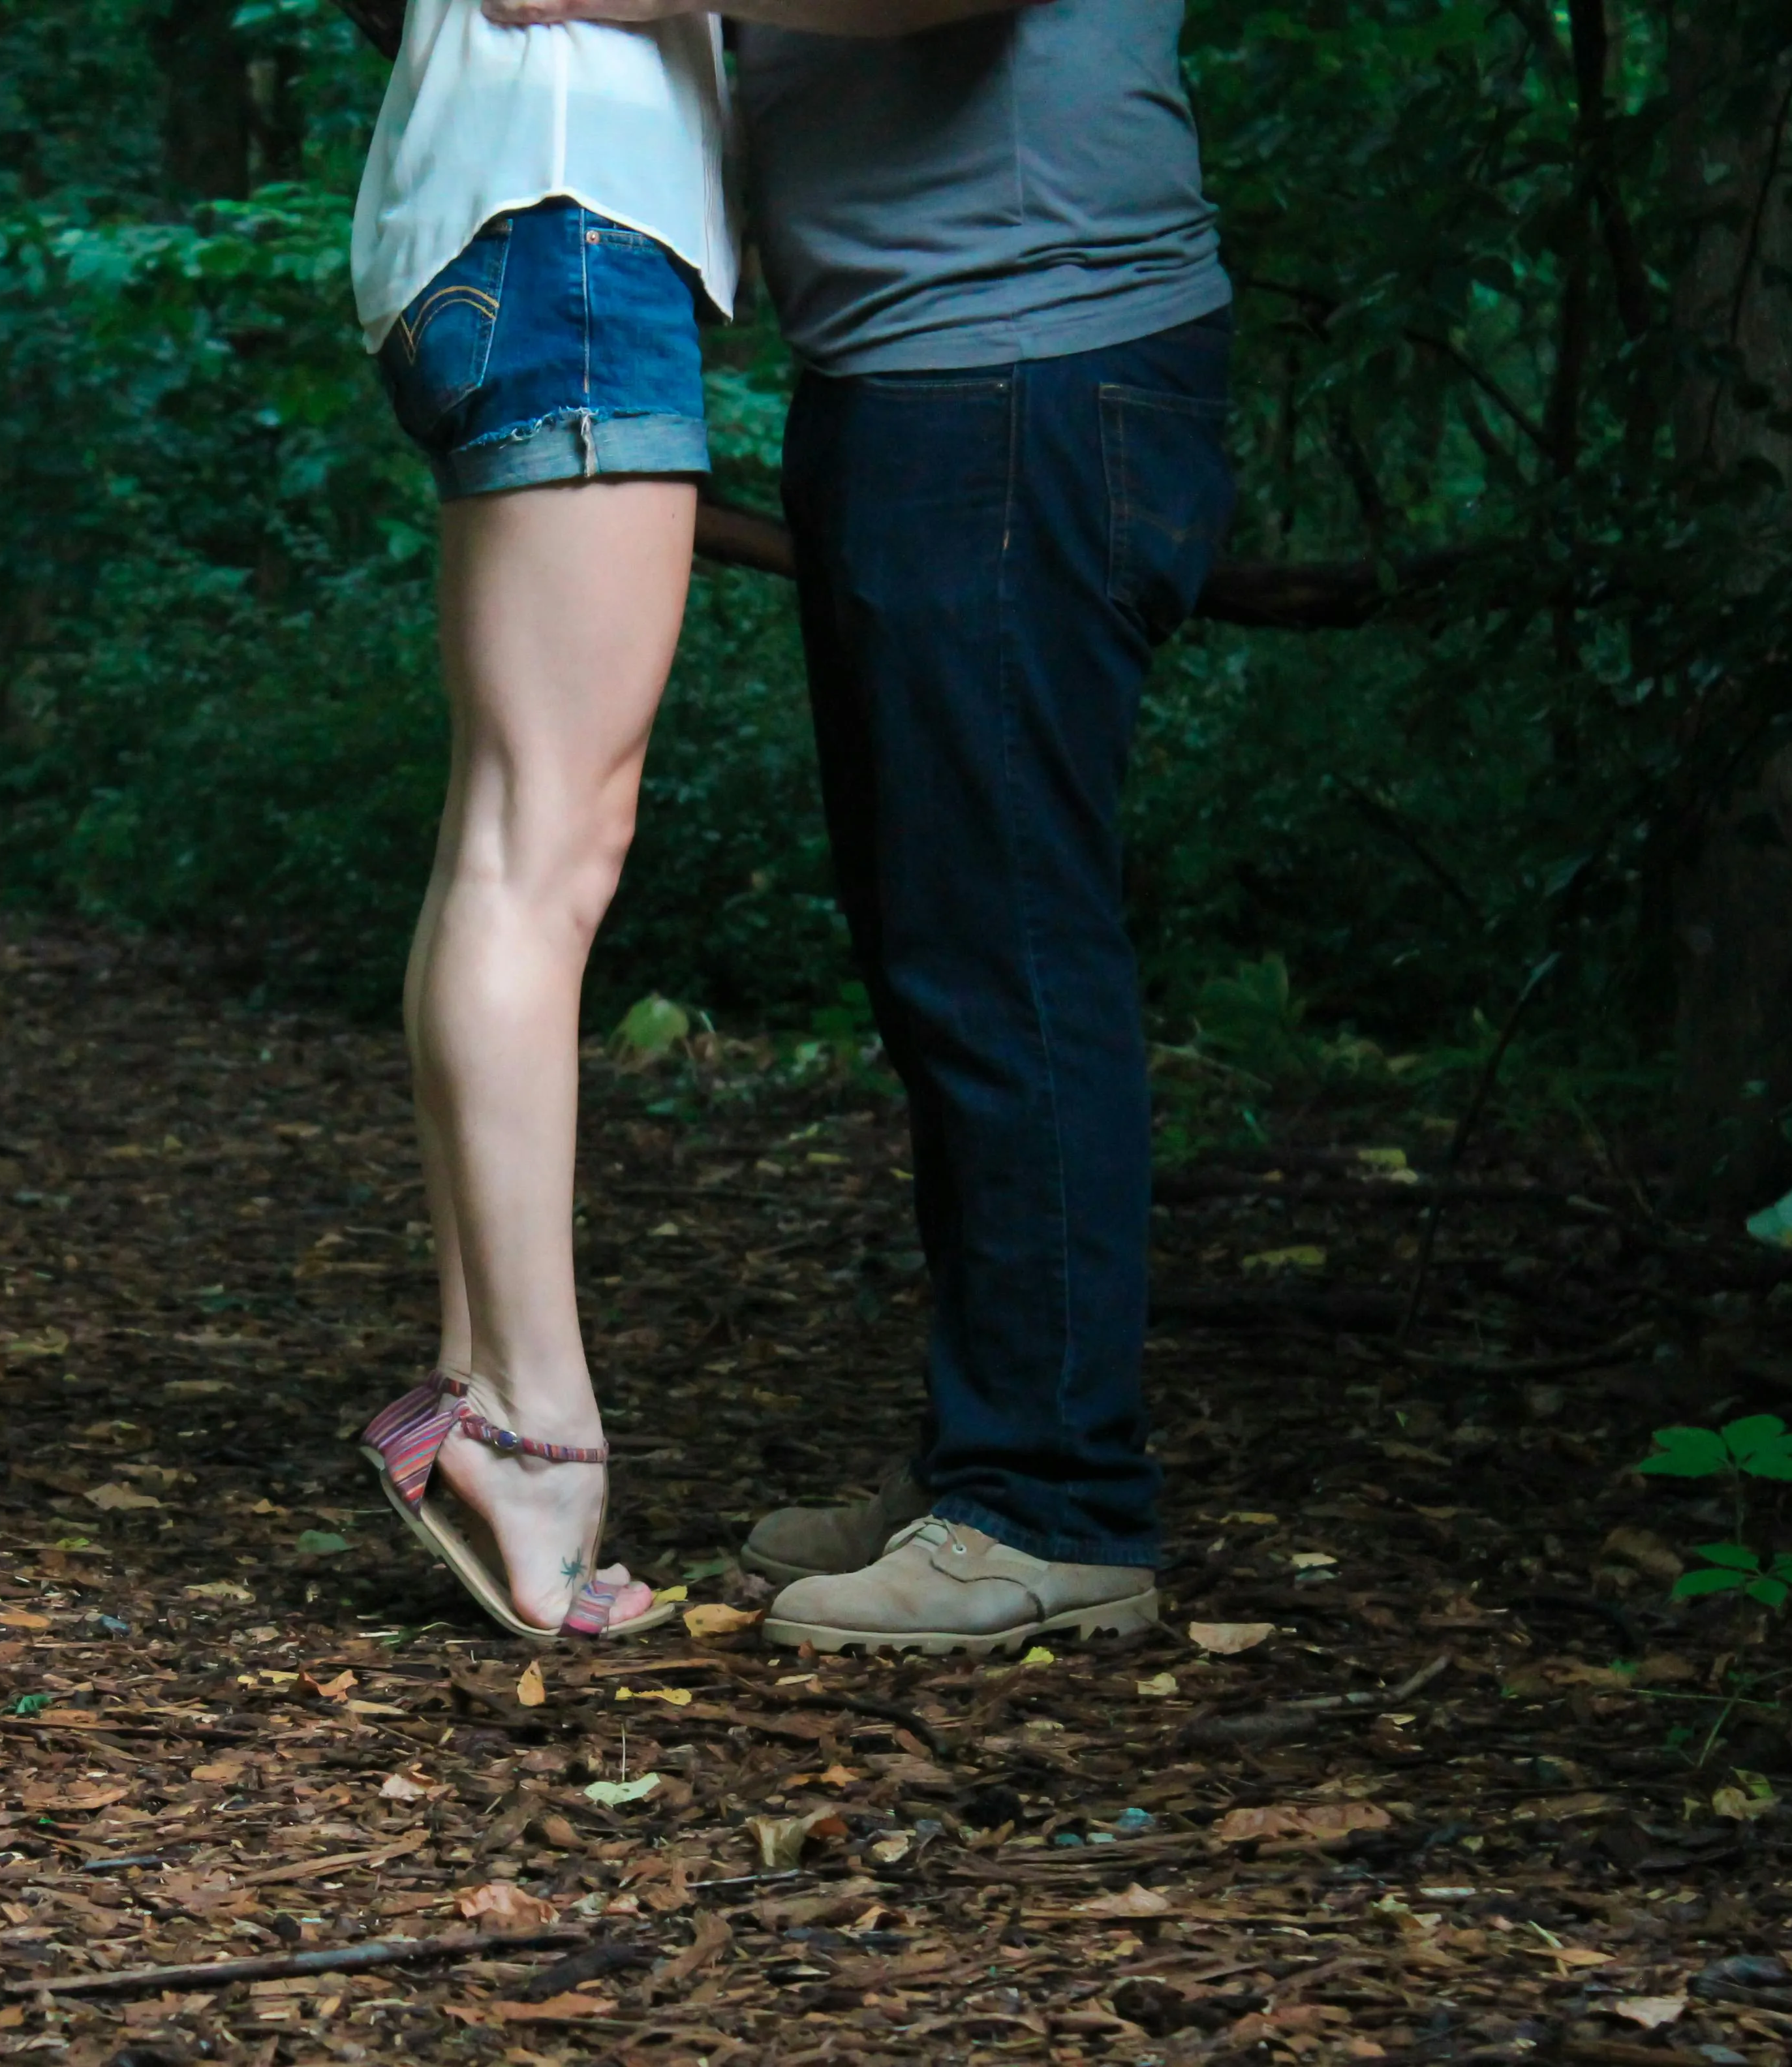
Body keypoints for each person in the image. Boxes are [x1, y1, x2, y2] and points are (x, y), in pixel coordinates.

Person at [478, 0, 1237, 1653]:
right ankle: (992, 1463)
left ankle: (1054, 1505)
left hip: (1024, 370)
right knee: (943, 952)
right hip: (932, 377)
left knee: (1004, 952)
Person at [344, 0, 738, 1641]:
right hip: (576, 220)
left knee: (505, 844)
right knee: (542, 856)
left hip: (492, 221)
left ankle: (477, 1387)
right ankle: (524, 1422)